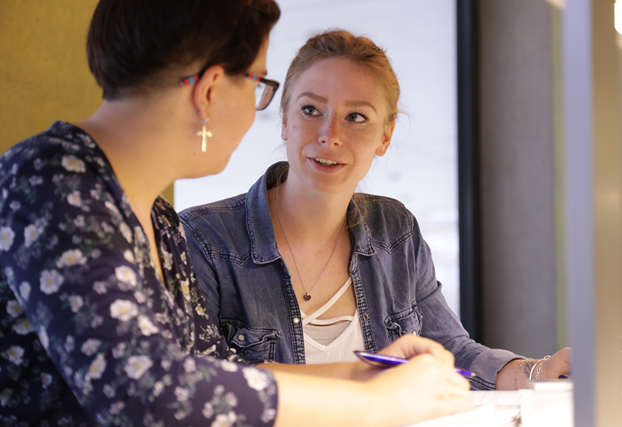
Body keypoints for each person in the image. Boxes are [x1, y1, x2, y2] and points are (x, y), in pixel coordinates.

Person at [0, 1, 474, 426]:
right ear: (208, 91)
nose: (256, 108)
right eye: (257, 83)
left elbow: (216, 372)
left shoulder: (160, 221)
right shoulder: (53, 182)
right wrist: (378, 406)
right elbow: (146, 392)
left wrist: (365, 373)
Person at [179, 29, 572, 391]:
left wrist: (540, 371)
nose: (329, 135)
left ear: (386, 135)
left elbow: (451, 354)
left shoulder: (395, 231)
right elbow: (203, 384)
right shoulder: (203, 240)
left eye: (356, 117)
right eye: (311, 110)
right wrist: (359, 380)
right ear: (284, 119)